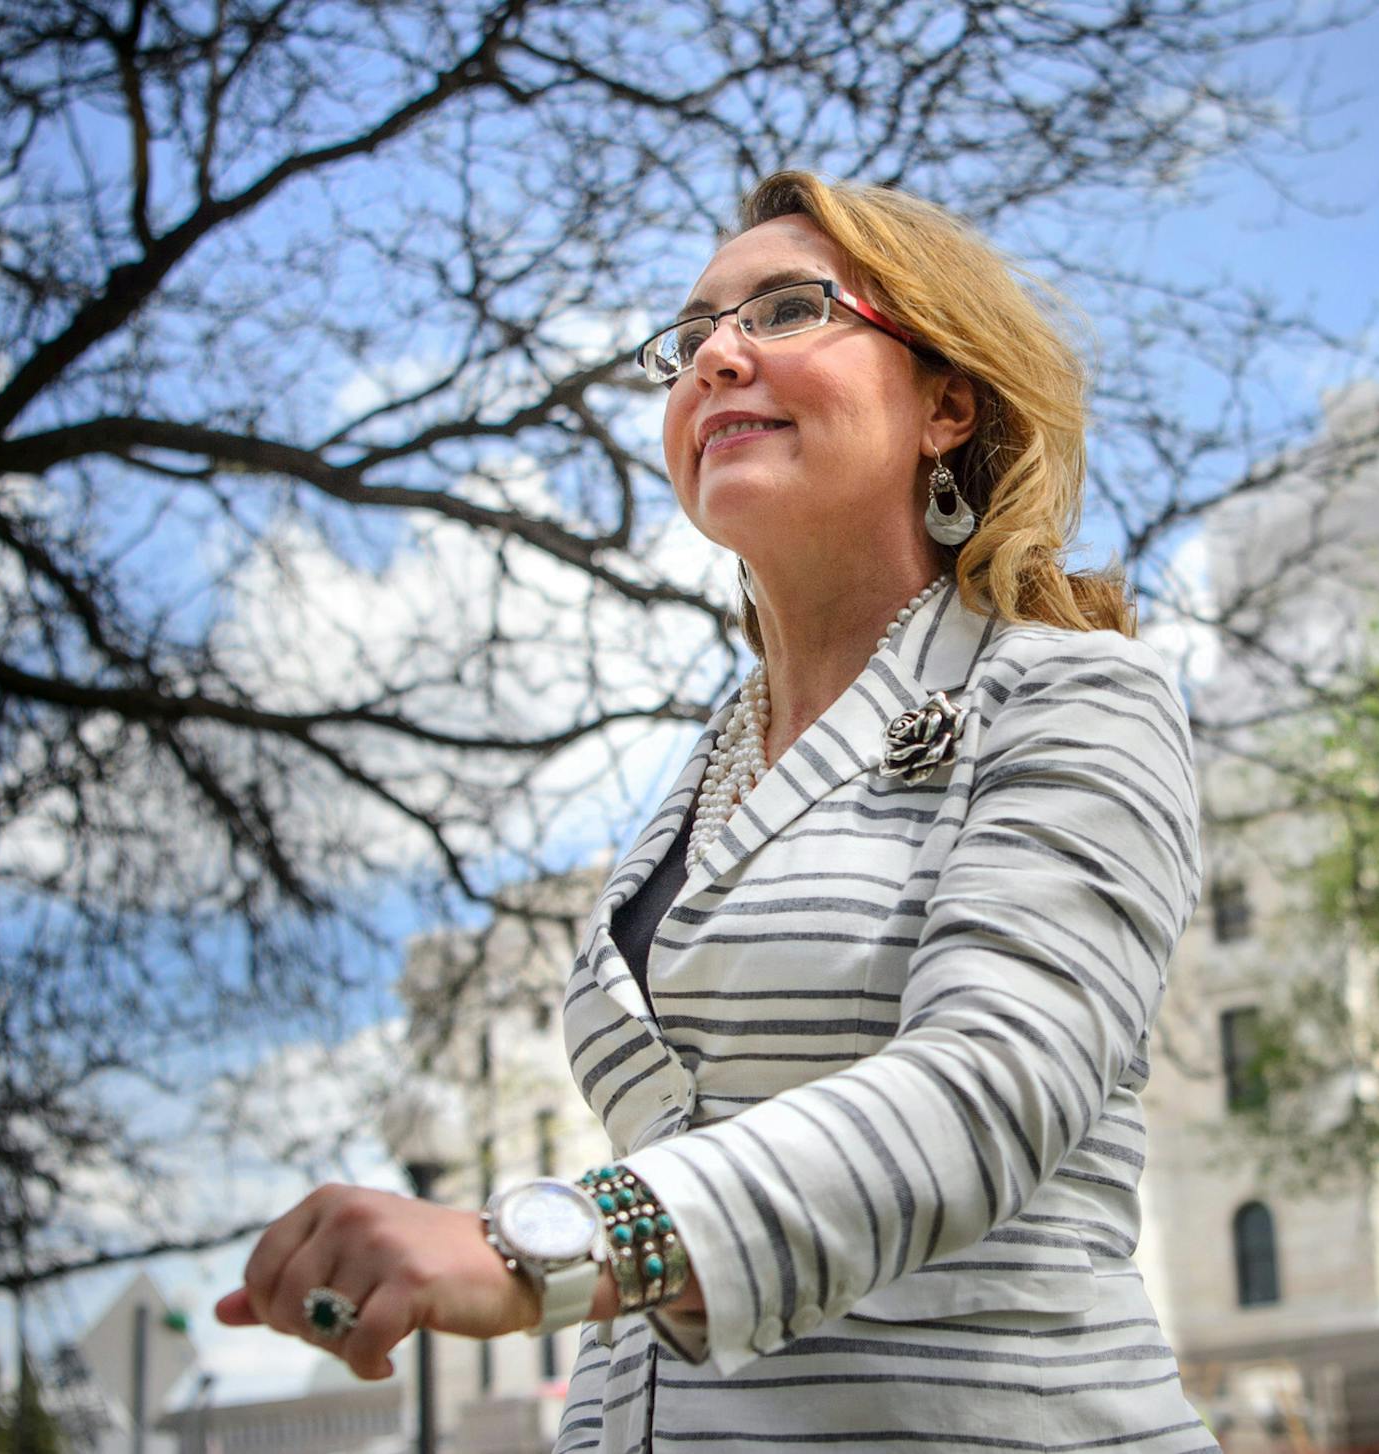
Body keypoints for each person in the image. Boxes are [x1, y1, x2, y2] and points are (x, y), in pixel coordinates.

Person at [216, 171, 1213, 1453]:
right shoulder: (704, 767)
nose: (716, 357)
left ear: (945, 402)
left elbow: (989, 1088)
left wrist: (550, 1246)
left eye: (789, 309)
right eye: (688, 342)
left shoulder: (1076, 694)